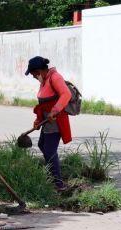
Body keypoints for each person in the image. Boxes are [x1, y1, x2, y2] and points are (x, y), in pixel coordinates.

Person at [24, 56, 72, 189]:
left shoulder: (55, 77)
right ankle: (52, 176)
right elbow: (43, 104)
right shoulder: (44, 80)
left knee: (50, 150)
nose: (33, 77)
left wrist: (55, 110)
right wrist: (38, 120)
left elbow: (66, 94)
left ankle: (58, 184)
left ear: (39, 70)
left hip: (55, 121)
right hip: (46, 121)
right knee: (42, 145)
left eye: (33, 74)